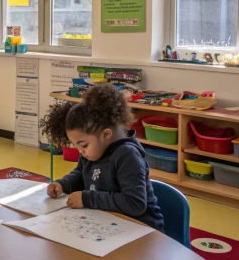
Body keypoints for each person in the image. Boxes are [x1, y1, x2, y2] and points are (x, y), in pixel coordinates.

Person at [40, 83, 164, 232]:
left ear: (106, 135)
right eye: (76, 146)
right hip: (108, 224)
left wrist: (87, 199)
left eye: (83, 145)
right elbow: (80, 173)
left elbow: (134, 203)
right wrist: (63, 184)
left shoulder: (127, 156)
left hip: (141, 230)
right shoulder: (93, 151)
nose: (80, 151)